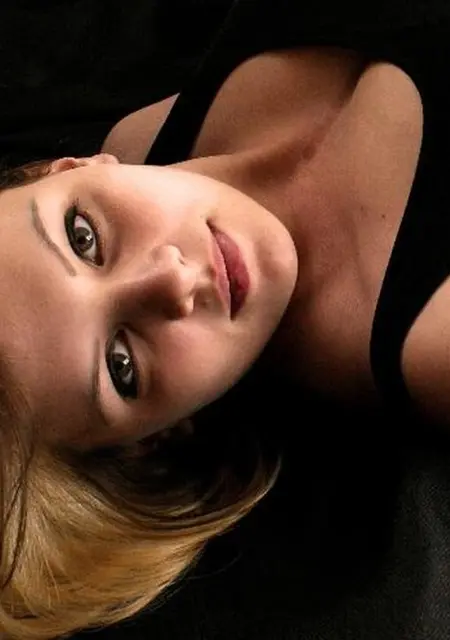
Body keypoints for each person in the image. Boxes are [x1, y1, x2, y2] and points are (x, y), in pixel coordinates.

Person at [0, 0, 448, 637]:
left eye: (83, 237)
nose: (172, 279)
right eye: (121, 365)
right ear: (156, 439)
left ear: (71, 167)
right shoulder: (435, 344)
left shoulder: (141, 137)